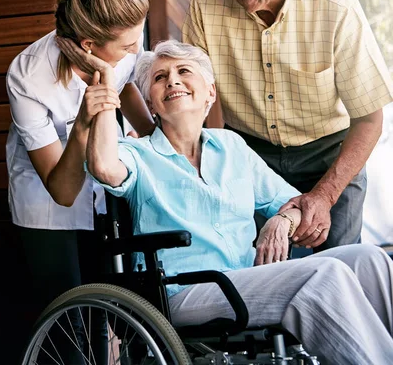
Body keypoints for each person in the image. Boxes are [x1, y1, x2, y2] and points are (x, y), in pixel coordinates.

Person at [85, 40, 393, 364]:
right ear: (151, 102)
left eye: (183, 71)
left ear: (210, 93)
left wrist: (282, 220)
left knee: (369, 260)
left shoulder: (231, 146)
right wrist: (106, 89)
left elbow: (294, 204)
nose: (172, 80)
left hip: (246, 280)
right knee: (324, 273)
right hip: (184, 291)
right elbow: (104, 167)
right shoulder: (139, 154)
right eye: (160, 77)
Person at [182, 0, 393, 252]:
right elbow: (193, 96)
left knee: (340, 269)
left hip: (330, 154)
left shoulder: (335, 6)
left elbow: (370, 118)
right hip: (250, 154)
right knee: (264, 271)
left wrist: (324, 196)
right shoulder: (205, 4)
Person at [6, 0, 155, 361]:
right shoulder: (28, 77)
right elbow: (63, 190)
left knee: (105, 309)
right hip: (46, 201)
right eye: (128, 45)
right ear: (89, 46)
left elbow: (124, 86)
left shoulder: (119, 51)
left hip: (101, 190)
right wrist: (85, 123)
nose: (137, 49)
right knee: (66, 316)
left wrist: (156, 138)